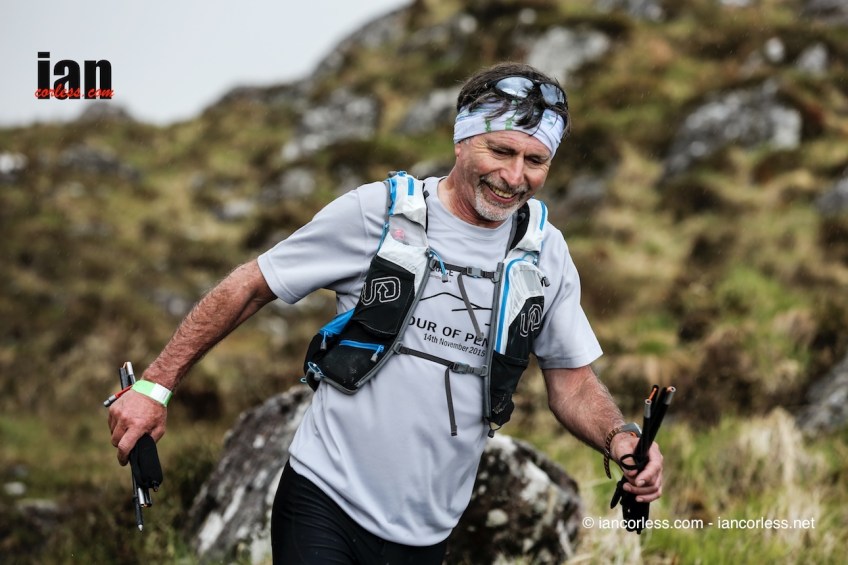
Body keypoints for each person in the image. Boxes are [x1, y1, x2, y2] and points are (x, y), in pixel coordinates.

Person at [108, 62, 663, 564]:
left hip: (427, 532)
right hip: (324, 498)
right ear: (462, 141)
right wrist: (156, 385)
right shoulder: (378, 213)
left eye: (535, 160)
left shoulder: (545, 254)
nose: (515, 177)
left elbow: (572, 383)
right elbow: (253, 284)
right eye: (500, 151)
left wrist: (619, 437)